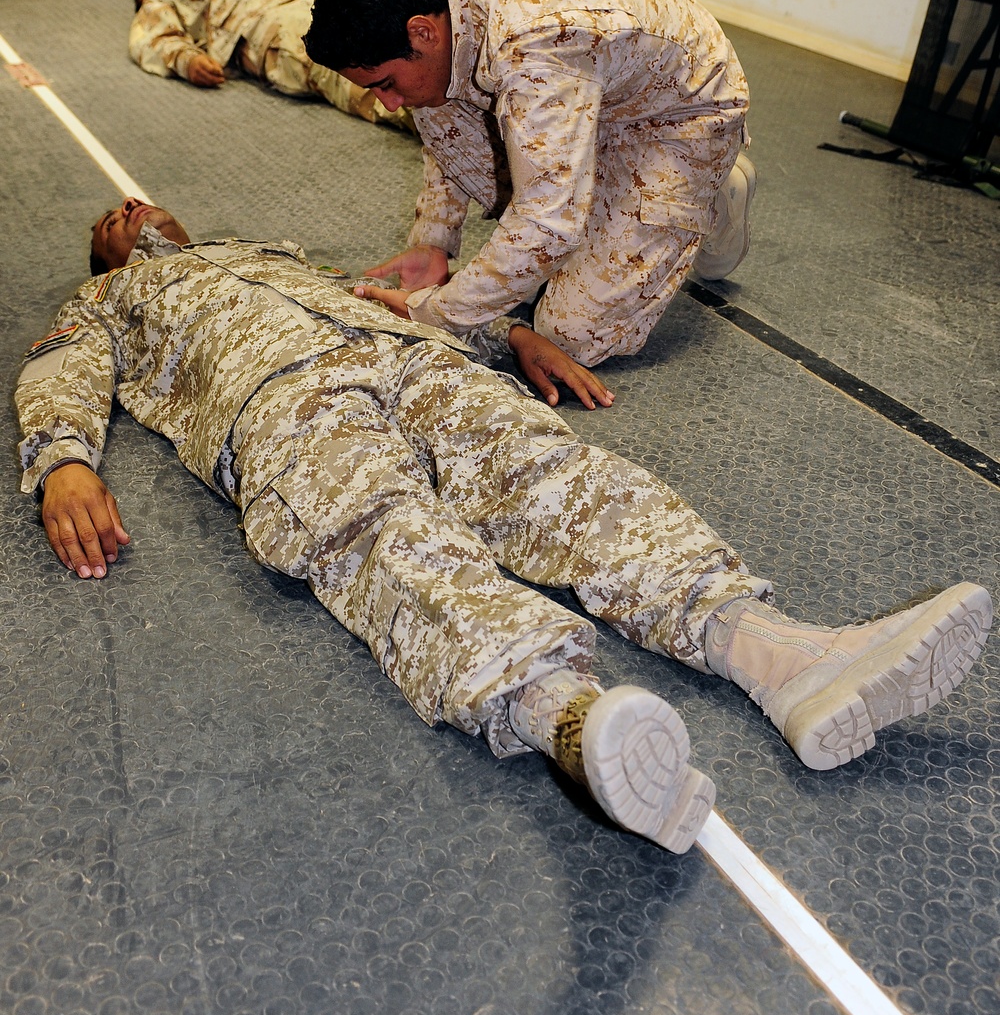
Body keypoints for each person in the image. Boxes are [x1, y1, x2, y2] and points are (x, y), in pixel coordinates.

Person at [16, 200, 993, 856]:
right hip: (281, 409)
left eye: (139, 205)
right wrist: (62, 459)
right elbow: (61, 371)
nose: (131, 213)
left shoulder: (270, 256)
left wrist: (507, 333)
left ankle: (783, 658)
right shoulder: (107, 300)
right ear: (104, 255)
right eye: (111, 221)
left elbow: (400, 299)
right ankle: (573, 729)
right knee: (383, 539)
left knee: (559, 479)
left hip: (414, 363)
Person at [303, 0, 759, 367]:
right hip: (594, 93)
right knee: (438, 100)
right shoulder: (439, 1)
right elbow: (445, 128)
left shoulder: (530, 48)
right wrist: (434, 239)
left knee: (570, 332)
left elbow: (548, 221)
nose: (388, 104)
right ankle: (607, 206)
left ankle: (710, 191)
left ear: (422, 31)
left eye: (385, 83)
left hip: (680, 113)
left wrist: (438, 314)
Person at [129, 0, 407, 129]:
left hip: (308, 3)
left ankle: (441, 100)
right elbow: (150, 39)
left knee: (397, 46)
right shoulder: (160, 1)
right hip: (276, 32)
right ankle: (436, 124)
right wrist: (186, 60)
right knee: (365, 76)